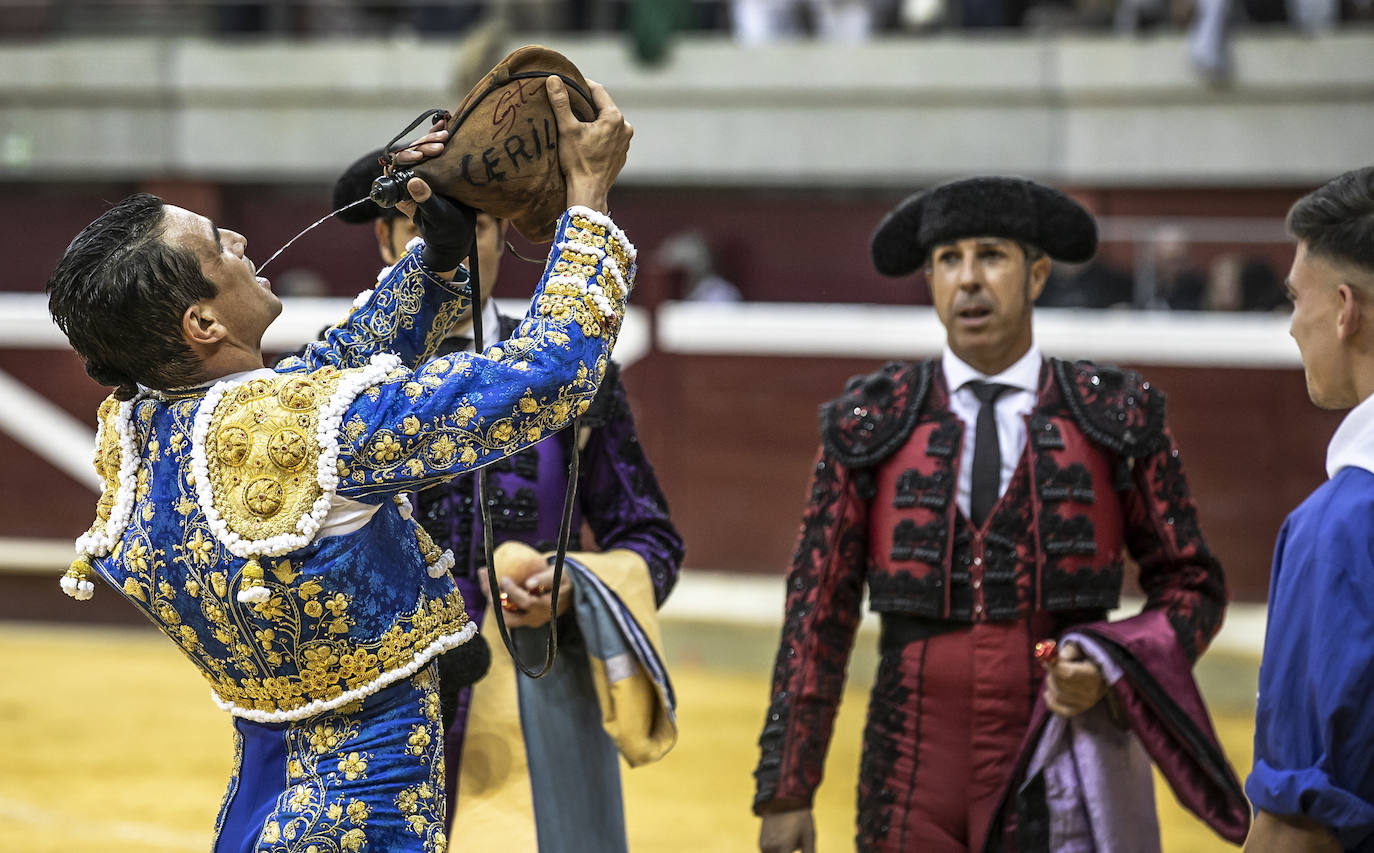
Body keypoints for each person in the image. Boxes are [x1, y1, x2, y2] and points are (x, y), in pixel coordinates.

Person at [46, 76, 635, 852]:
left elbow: (322, 380)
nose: (244, 243)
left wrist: (438, 257)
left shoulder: (141, 431)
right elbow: (551, 372)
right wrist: (588, 201)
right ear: (202, 321)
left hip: (260, 802)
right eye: (222, 245)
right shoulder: (295, 429)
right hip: (364, 816)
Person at [753, 176, 1232, 853]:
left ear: (1037, 274)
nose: (969, 280)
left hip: (1058, 747)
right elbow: (816, 609)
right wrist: (787, 785)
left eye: (992, 256)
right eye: (949, 259)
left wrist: (1115, 670)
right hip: (910, 760)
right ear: (930, 278)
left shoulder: (1113, 416)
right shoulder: (873, 421)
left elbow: (1193, 584)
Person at [329, 143, 684, 851]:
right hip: (373, 711)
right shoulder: (335, 379)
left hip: (532, 692)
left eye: (479, 227)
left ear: (502, 236)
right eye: (432, 228)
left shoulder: (572, 379)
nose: (458, 247)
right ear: (386, 236)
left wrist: (573, 585)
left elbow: (650, 538)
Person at [1246, 166, 1374, 853]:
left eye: (1298, 299)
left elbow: (1297, 828)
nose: (1295, 325)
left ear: (1346, 308)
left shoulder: (1339, 526)